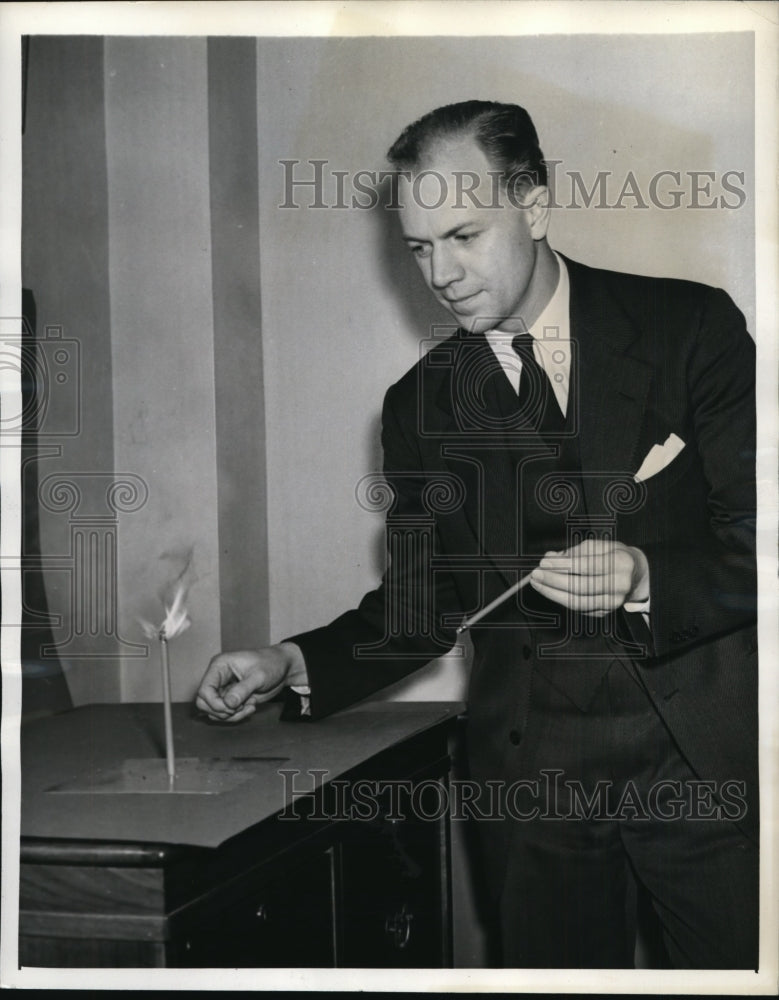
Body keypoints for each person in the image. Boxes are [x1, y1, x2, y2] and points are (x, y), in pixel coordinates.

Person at [196, 101, 757, 969]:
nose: (441, 274)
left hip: (699, 762)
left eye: (463, 235)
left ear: (532, 206)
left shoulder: (691, 329)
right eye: (419, 248)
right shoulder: (418, 405)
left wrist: (646, 575)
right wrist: (290, 662)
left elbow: (753, 539)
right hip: (533, 778)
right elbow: (424, 606)